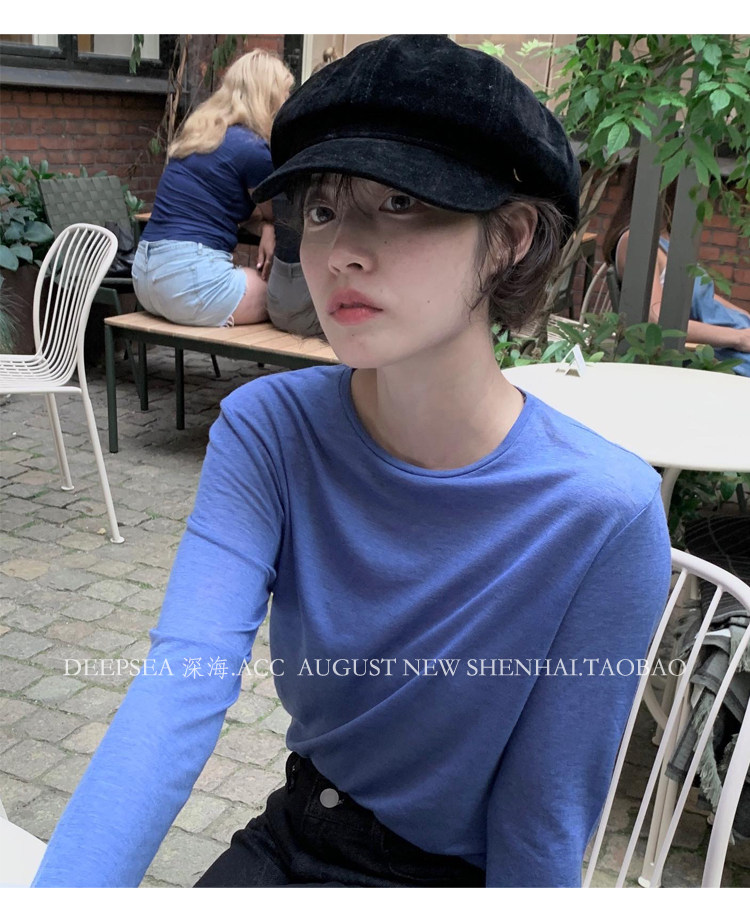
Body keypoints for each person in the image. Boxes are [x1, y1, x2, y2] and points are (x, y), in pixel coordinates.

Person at [32, 35, 671, 888]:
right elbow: (180, 683)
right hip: (298, 830)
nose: (340, 252)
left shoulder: (603, 513)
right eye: (324, 208)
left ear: (510, 236)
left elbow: (542, 820)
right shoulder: (269, 431)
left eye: (400, 201)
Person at [131, 49, 294, 328]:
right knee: (286, 295)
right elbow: (278, 215)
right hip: (188, 283)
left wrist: (265, 224)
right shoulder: (255, 150)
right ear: (269, 97)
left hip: (144, 277)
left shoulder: (200, 136)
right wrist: (269, 225)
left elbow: (241, 211)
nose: (289, 102)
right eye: (286, 93)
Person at [603, 157, 750, 377]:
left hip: (730, 338)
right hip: (716, 352)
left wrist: (744, 318)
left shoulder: (665, 237)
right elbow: (657, 318)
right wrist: (738, 338)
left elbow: (701, 296)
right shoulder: (638, 241)